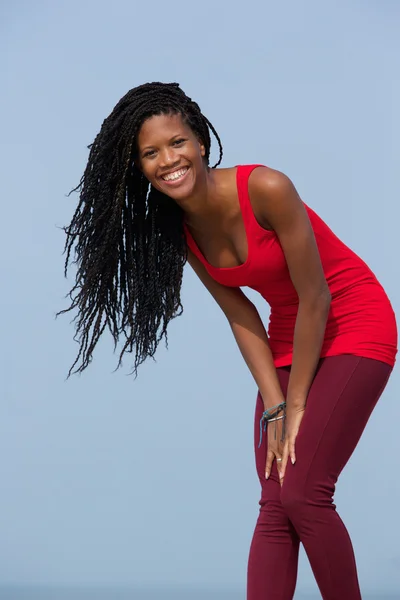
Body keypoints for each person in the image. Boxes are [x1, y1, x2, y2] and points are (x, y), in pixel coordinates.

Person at [60, 82, 397, 600]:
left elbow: (317, 296)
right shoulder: (179, 227)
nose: (168, 161)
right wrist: (274, 405)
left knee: (304, 494)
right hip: (289, 335)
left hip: (353, 320)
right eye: (150, 153)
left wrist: (297, 403)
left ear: (199, 141)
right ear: (138, 166)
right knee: (275, 495)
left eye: (176, 143)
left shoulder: (267, 187)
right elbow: (239, 312)